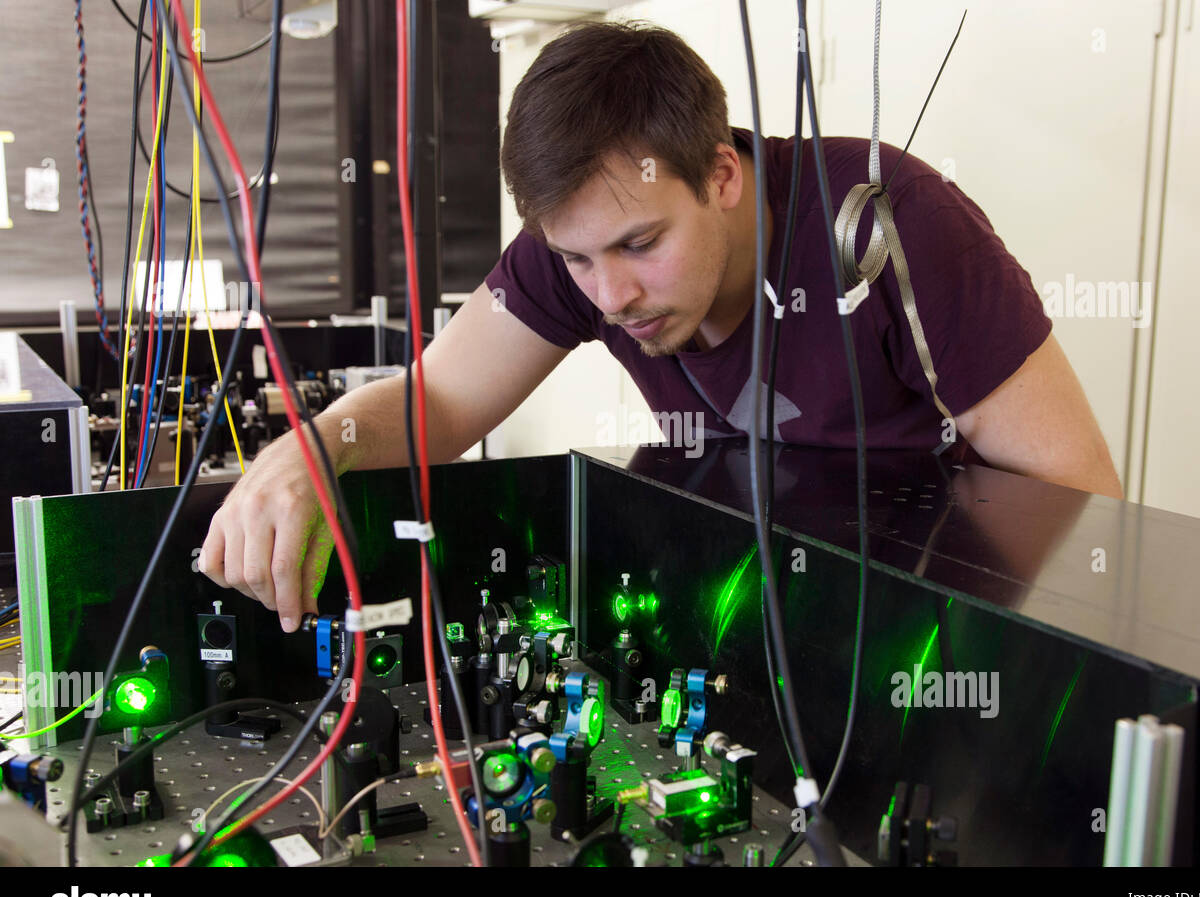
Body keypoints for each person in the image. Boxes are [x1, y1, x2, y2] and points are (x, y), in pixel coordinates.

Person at [199, 20, 1122, 632]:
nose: (609, 297)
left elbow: (1081, 495)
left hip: (923, 628)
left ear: (721, 175)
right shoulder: (584, 249)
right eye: (575, 260)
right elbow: (440, 399)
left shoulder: (889, 227)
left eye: (641, 244)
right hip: (746, 599)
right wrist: (314, 448)